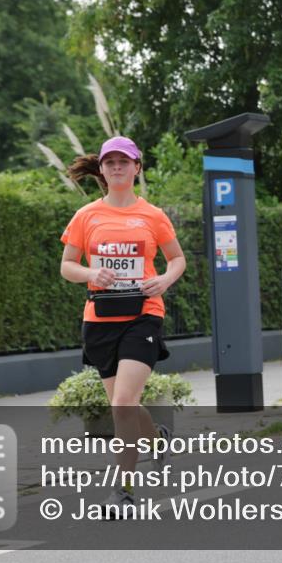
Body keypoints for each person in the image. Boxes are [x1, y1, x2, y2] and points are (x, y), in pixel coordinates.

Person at [61, 136, 187, 517]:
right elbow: (67, 266)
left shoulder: (152, 215)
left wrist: (164, 280)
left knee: (122, 403)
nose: (117, 167)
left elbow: (177, 259)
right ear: (101, 170)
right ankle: (156, 439)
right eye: (110, 162)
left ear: (137, 168)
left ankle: (123, 490)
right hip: (99, 320)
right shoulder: (86, 216)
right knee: (126, 407)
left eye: (124, 161)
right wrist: (91, 272)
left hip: (143, 315)